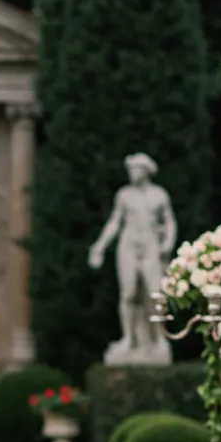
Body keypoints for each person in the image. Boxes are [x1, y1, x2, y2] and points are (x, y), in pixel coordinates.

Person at [88, 153, 177, 363]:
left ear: (146, 172)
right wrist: (99, 247)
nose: (133, 173)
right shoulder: (124, 195)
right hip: (128, 245)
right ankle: (128, 338)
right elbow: (115, 222)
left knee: (154, 294)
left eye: (137, 169)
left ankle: (159, 339)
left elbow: (170, 221)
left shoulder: (159, 195)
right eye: (131, 169)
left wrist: (167, 244)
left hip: (151, 246)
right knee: (129, 294)